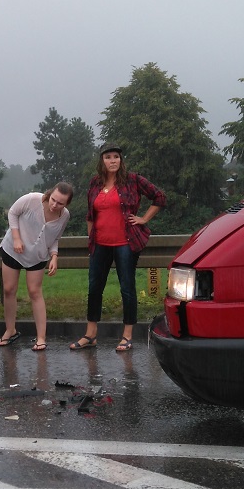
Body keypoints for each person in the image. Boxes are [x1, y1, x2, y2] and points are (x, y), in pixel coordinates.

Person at [69, 142, 166, 352]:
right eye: (108, 157)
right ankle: (90, 334)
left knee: (127, 288)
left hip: (126, 243)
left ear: (121, 160)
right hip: (100, 244)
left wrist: (143, 219)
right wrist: (91, 239)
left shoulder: (133, 180)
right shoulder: (95, 182)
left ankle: (127, 336)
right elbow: (90, 214)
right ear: (101, 161)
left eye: (116, 157)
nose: (112, 161)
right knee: (94, 288)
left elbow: (159, 197)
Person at [0, 182, 73, 350]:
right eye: (53, 200)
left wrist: (54, 256)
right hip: (13, 249)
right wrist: (16, 238)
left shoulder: (65, 216)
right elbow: (13, 213)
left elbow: (55, 238)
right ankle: (10, 330)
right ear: (49, 194)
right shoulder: (32, 199)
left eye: (60, 203)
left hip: (37, 255)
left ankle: (41, 338)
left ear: (67, 204)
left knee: (35, 292)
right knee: (9, 289)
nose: (55, 205)